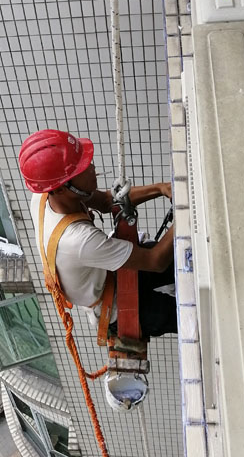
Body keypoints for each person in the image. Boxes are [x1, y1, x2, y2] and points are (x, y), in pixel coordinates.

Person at [18, 129, 176, 339]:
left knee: (178, 259)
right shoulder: (79, 240)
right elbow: (155, 261)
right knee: (183, 314)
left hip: (109, 273)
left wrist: (161, 188)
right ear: (62, 188)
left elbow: (105, 201)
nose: (91, 168)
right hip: (117, 309)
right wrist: (185, 212)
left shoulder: (46, 195)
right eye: (81, 169)